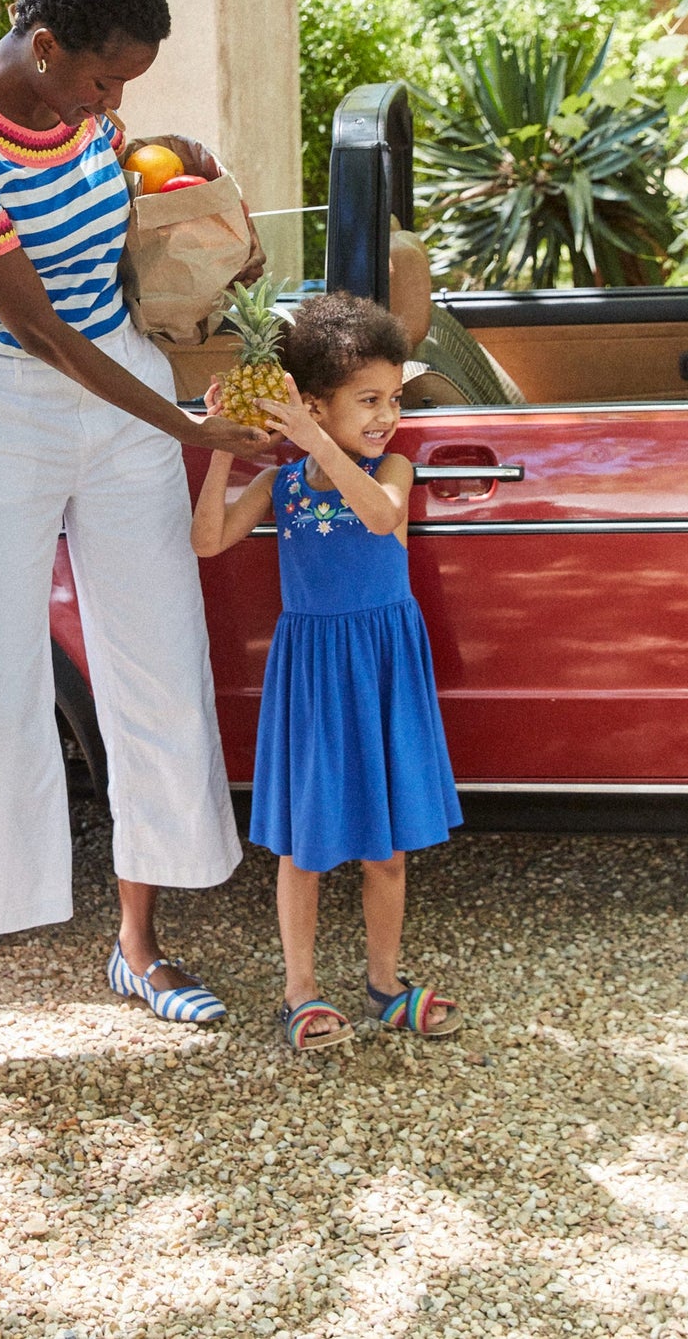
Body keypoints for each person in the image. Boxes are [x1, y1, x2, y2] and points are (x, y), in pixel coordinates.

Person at [0, 0, 268, 1101]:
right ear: (44, 45)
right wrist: (189, 431)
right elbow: (43, 329)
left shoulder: (82, 113)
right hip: (12, 401)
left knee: (154, 657)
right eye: (106, 78)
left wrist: (167, 158)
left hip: (120, 380)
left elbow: (111, 210)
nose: (114, 101)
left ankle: (137, 948)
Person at [190, 291, 463, 1052]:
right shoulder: (279, 484)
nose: (385, 415)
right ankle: (299, 991)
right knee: (304, 847)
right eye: (367, 400)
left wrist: (316, 435)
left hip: (379, 662)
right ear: (313, 403)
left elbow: (380, 516)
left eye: (392, 399)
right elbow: (207, 541)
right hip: (313, 668)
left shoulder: (395, 468)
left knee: (388, 848)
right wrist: (221, 445)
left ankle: (384, 983)